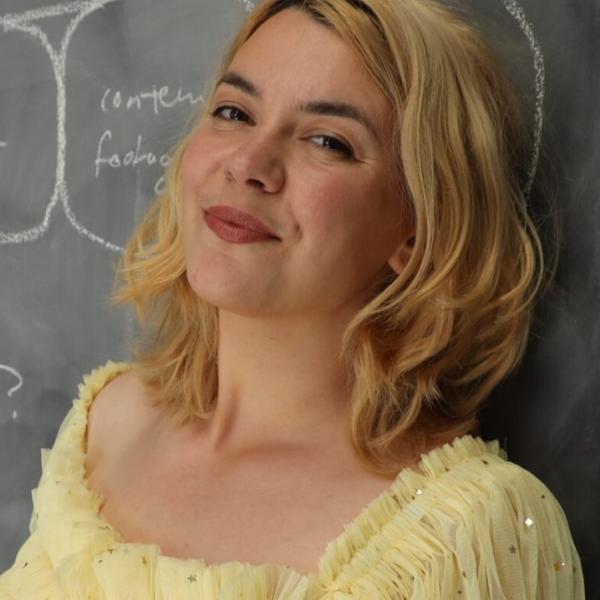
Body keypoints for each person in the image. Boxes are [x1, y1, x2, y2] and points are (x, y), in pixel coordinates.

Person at [0, 0, 585, 597]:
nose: (249, 163)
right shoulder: (103, 422)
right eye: (233, 111)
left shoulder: (466, 531)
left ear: (417, 228)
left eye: (328, 141)